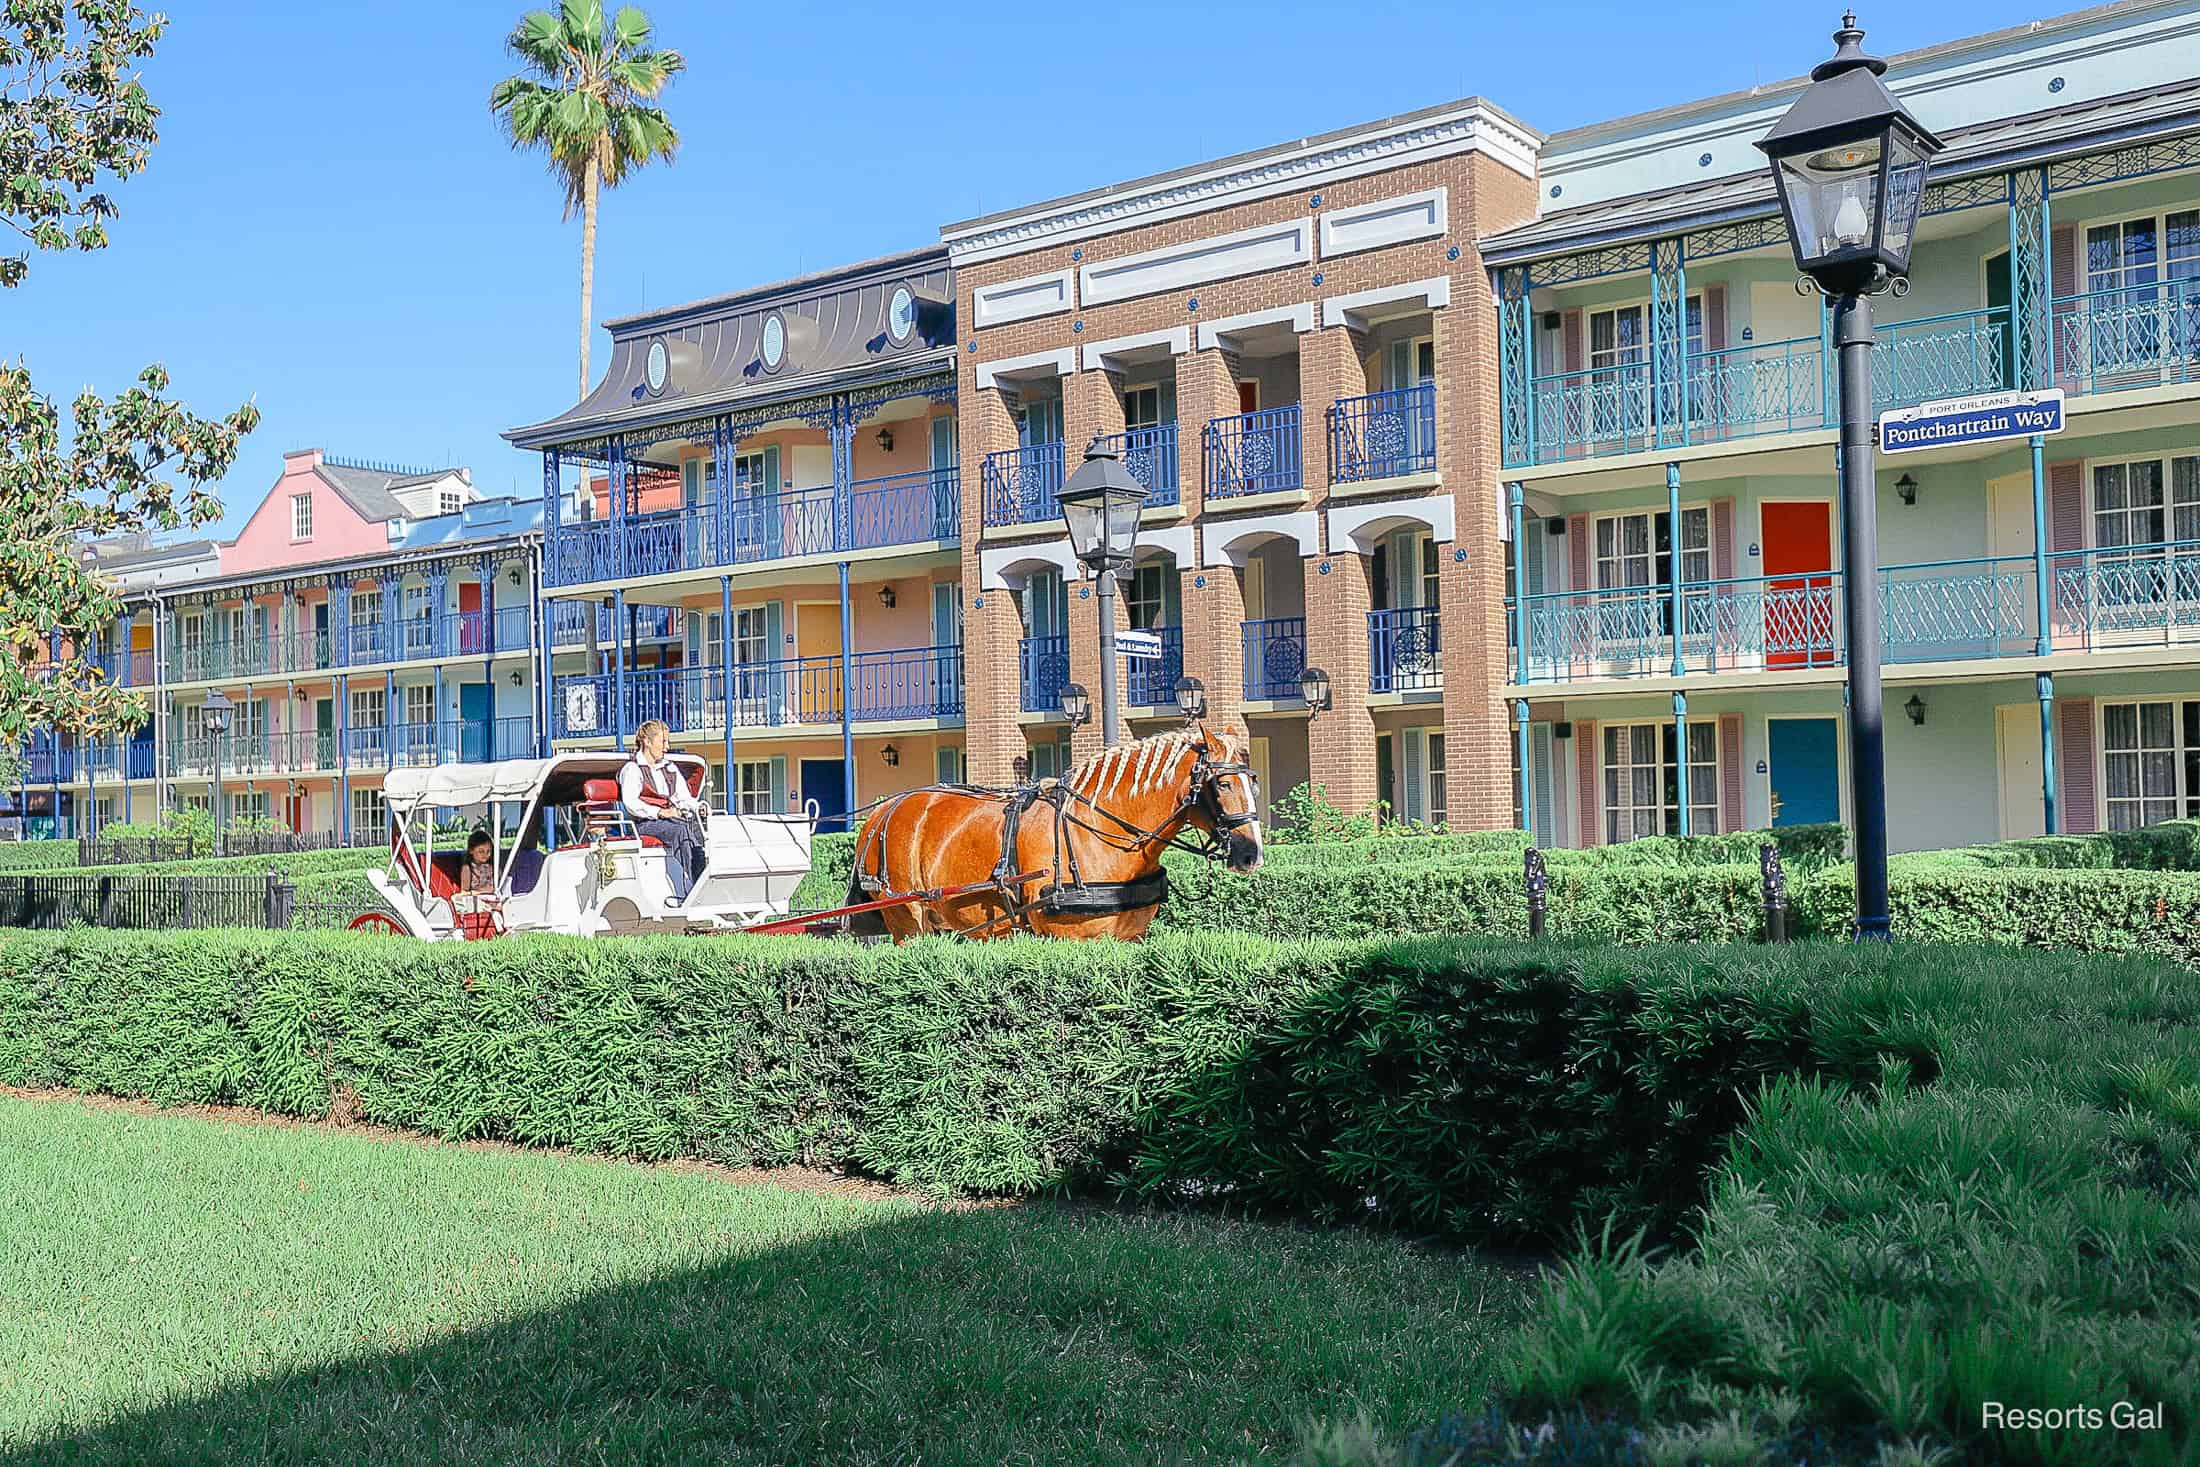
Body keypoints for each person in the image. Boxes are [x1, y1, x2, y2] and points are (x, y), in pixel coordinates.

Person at [620, 719, 709, 905]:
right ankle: (699, 885)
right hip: (644, 824)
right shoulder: (632, 769)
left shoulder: (669, 768)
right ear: (647, 741)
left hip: (669, 822)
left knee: (696, 830)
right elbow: (631, 804)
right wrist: (661, 812)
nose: (667, 747)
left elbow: (682, 797)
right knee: (680, 831)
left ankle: (706, 879)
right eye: (663, 742)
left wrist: (698, 807)